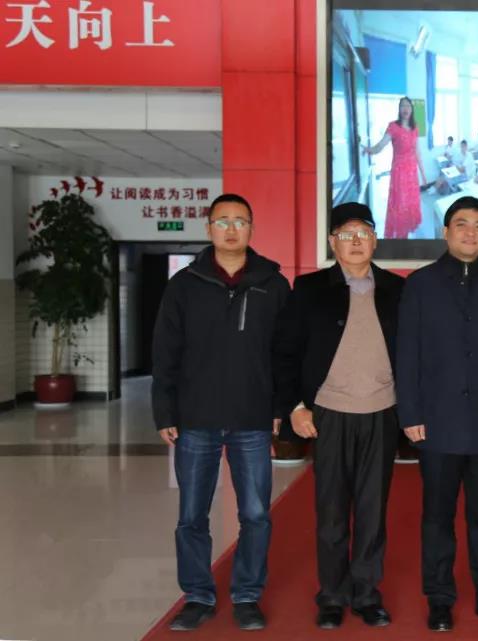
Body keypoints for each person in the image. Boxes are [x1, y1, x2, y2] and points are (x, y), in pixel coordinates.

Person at [152, 193, 290, 632]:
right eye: (223, 221)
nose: (231, 229)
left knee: (256, 514)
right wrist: (164, 410)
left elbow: (284, 354)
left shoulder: (273, 284)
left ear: (252, 228)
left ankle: (247, 595)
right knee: (192, 516)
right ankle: (197, 596)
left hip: (252, 417)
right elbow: (165, 351)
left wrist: (279, 408)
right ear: (209, 228)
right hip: (196, 418)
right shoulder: (184, 284)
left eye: (240, 221)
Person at [396, 196, 478, 633]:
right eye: (461, 224)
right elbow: (407, 354)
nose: (470, 232)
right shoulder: (420, 284)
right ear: (446, 231)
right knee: (437, 517)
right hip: (437, 421)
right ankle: (439, 598)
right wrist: (410, 413)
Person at [273, 202, 406, 630]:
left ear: (375, 240)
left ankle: (366, 594)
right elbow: (285, 353)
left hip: (381, 413)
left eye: (363, 233)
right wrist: (294, 407)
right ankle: (331, 595)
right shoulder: (309, 288)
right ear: (333, 242)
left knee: (372, 511)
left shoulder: (397, 289)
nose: (355, 241)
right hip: (328, 414)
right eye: (345, 234)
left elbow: (416, 354)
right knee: (331, 512)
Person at [364, 96, 427, 239]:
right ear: (399, 109)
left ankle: (405, 236)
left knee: (409, 206)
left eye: (408, 106)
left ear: (411, 109)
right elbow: (381, 145)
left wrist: (423, 175)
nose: (406, 109)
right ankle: (400, 238)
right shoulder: (393, 126)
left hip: (412, 175)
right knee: (400, 206)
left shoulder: (415, 127)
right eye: (403, 106)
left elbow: (418, 152)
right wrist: (369, 150)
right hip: (399, 174)